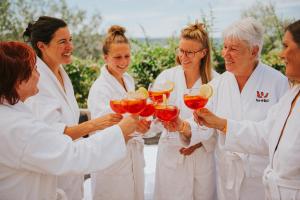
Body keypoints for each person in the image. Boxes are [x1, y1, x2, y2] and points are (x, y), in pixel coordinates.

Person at [168, 18, 289, 200]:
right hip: (227, 177)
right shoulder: (219, 84)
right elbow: (203, 123)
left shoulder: (278, 83)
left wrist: (222, 124)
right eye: (224, 47)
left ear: (254, 51)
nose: (225, 54)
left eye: (233, 49)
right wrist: (183, 127)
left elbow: (278, 136)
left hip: (259, 179)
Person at [0, 41, 138, 200]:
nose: (40, 75)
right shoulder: (17, 127)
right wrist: (121, 131)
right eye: (35, 69)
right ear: (19, 80)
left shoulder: (14, 115)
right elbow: (75, 155)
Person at [22, 16, 123, 199]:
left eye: (70, 40)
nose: (70, 47)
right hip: (53, 177)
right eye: (62, 42)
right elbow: (52, 137)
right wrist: (96, 124)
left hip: (71, 172)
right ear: (42, 46)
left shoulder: (60, 72)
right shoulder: (37, 81)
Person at [153, 22, 218, 200]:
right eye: (181, 50)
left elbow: (218, 124)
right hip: (171, 157)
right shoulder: (166, 78)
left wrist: (194, 139)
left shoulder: (216, 82)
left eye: (190, 52)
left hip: (201, 159)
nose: (183, 57)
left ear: (203, 53)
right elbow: (154, 121)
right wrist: (155, 118)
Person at [87, 25, 150, 200]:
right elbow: (103, 130)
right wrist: (136, 128)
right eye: (117, 57)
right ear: (105, 57)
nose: (123, 62)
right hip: (111, 162)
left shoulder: (127, 79)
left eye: (127, 56)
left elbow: (132, 114)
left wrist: (141, 125)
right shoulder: (100, 89)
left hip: (131, 157)